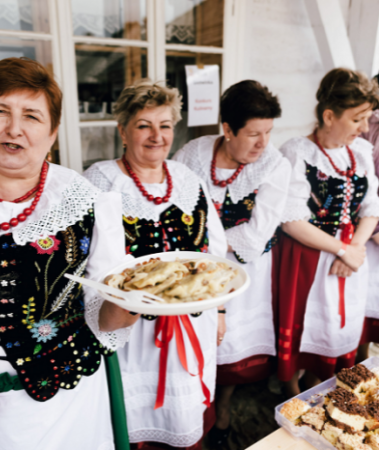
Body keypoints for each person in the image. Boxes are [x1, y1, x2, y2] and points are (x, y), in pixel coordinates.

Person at [0, 57, 138, 450]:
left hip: (58, 412)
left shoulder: (89, 203)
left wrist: (138, 299)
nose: (14, 128)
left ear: (53, 133)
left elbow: (105, 317)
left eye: (31, 116)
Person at [84, 80, 228, 450]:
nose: (156, 136)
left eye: (164, 125)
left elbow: (215, 250)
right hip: (134, 332)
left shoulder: (187, 179)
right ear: (123, 130)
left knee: (185, 414)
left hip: (193, 322)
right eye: (144, 125)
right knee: (138, 417)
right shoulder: (101, 181)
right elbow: (93, 266)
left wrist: (221, 310)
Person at [174, 80, 290, 448]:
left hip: (246, 272)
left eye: (269, 132)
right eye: (254, 133)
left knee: (232, 344)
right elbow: (176, 213)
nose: (263, 143)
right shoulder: (192, 155)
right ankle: (191, 411)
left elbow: (256, 238)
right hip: (194, 271)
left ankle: (222, 408)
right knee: (195, 341)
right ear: (227, 129)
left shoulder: (275, 165)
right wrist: (201, 245)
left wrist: (206, 240)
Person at [277, 68, 379, 396]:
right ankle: (291, 392)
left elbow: (371, 207)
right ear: (329, 116)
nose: (365, 128)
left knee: (340, 324)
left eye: (368, 119)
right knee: (304, 325)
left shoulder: (360, 152)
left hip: (349, 255)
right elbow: (291, 219)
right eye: (357, 119)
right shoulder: (297, 152)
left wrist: (354, 249)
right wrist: (341, 249)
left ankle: (319, 384)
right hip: (308, 257)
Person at [358, 107, 379, 358]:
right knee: (367, 305)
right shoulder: (370, 126)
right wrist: (374, 230)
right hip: (370, 230)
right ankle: (360, 364)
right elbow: (362, 187)